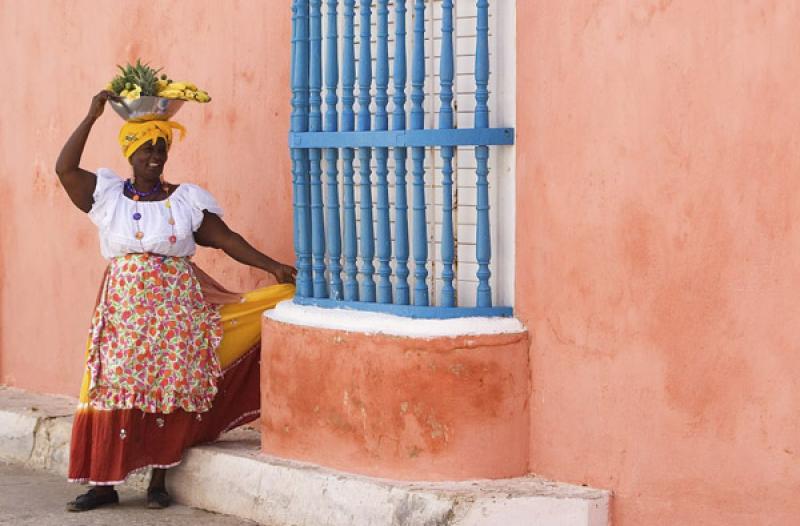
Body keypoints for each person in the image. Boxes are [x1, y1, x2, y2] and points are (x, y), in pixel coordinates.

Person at [54, 90, 296, 511]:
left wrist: (273, 266)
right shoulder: (107, 197)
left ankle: (158, 479)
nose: (155, 155)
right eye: (147, 147)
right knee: (114, 387)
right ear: (131, 152)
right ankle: (103, 484)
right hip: (124, 311)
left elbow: (227, 240)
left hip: (175, 310)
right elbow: (64, 168)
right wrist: (91, 116)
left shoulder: (185, 202)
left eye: (161, 147)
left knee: (171, 385)